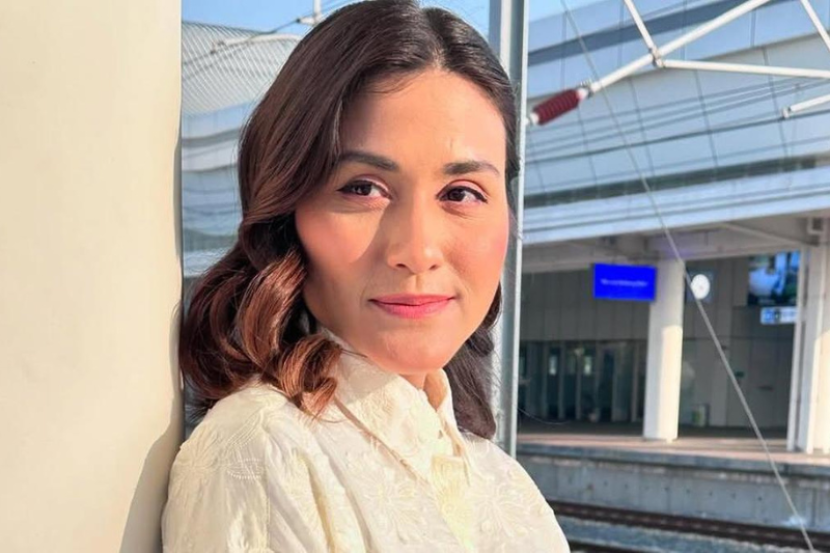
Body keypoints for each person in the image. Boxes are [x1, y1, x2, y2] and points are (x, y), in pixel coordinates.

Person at [162, 0, 571, 551]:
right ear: (286, 215)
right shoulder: (264, 455)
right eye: (363, 188)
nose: (417, 251)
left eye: (461, 193)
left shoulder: (503, 481)